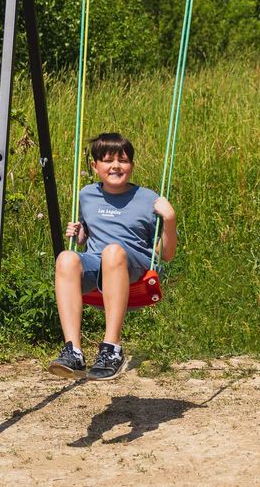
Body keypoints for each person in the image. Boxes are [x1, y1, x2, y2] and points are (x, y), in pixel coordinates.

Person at [49, 132, 177, 381]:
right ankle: (73, 351)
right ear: (95, 166)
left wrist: (170, 221)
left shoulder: (149, 199)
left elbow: (167, 254)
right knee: (66, 257)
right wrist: (80, 234)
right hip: (97, 262)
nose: (116, 166)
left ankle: (112, 348)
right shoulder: (86, 194)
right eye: (108, 160)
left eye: (123, 160)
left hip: (133, 265)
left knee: (113, 251)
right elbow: (91, 231)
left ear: (132, 166)